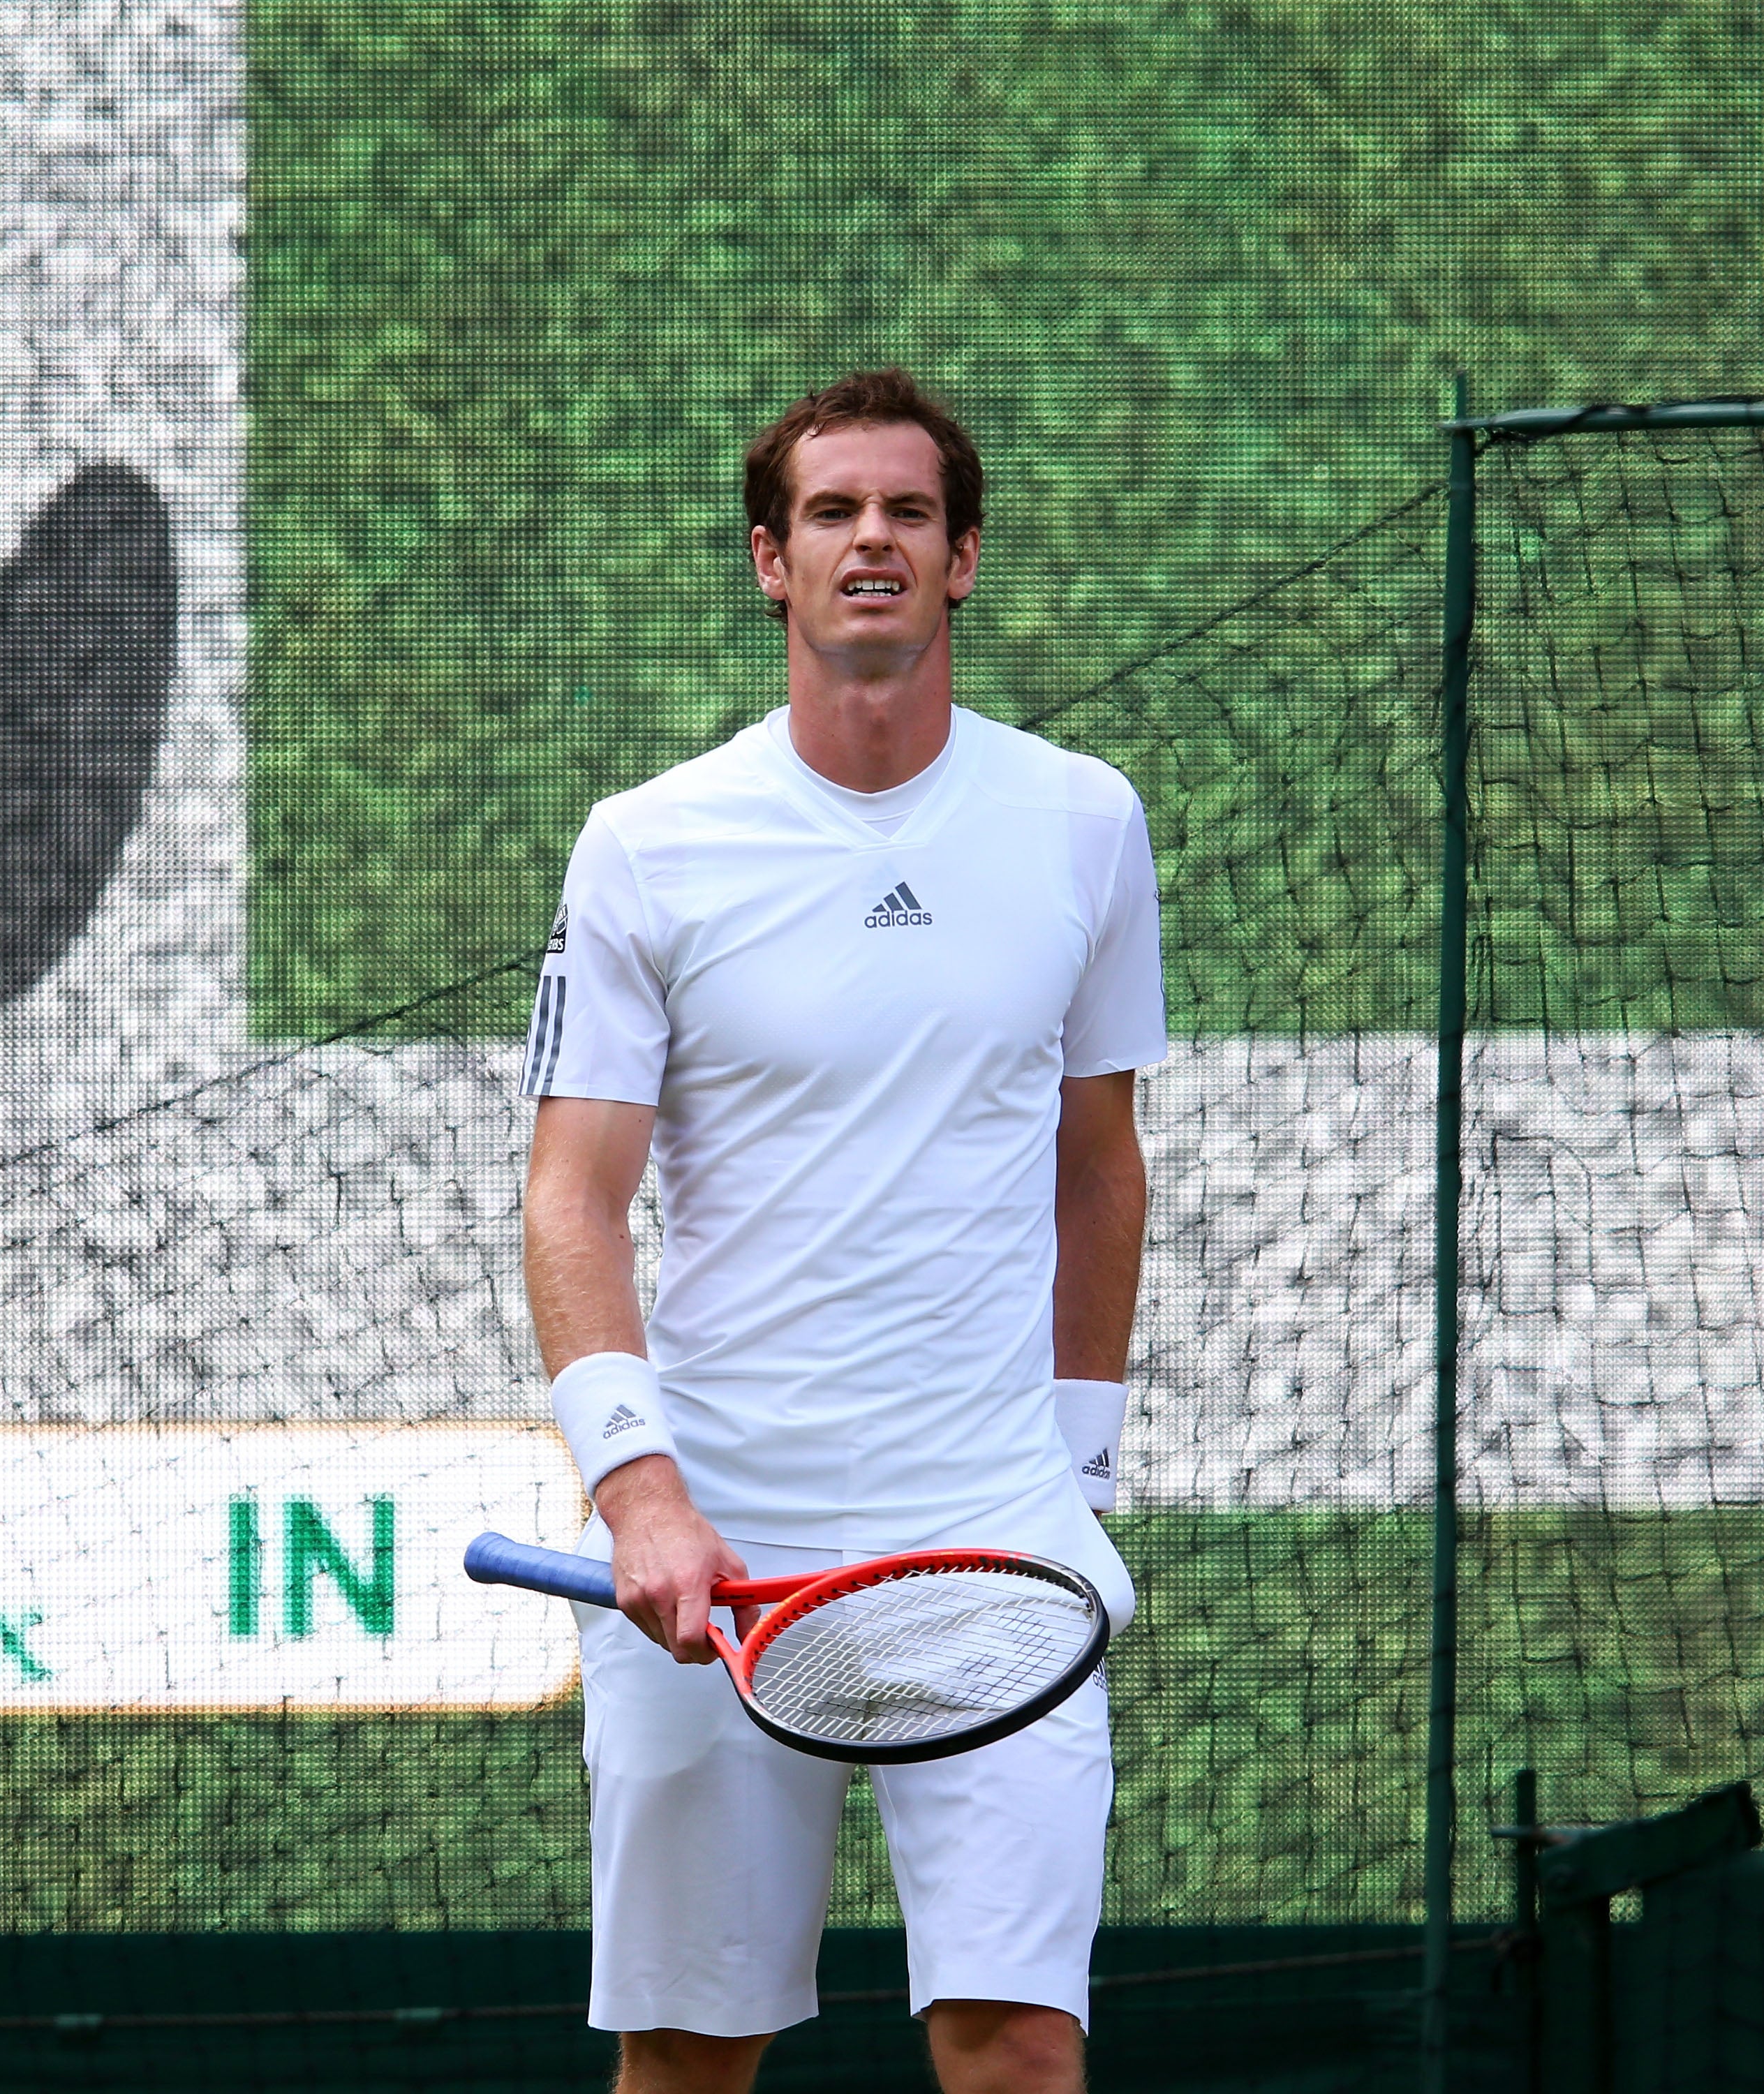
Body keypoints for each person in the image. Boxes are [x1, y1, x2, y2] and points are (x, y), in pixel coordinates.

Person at [520, 369, 1163, 2094]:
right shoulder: (647, 846)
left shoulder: (1086, 823)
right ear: (769, 561)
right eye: (830, 512)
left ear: (961, 561)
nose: (867, 538)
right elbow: (570, 1194)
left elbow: (1097, 1166)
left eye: (904, 512)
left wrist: (1072, 1475)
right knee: (688, 2061)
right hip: (715, 1551)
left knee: (1019, 2049)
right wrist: (638, 1490)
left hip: (992, 1545)